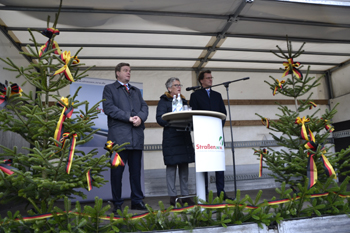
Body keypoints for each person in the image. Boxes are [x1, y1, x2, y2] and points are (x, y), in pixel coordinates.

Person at [102, 62, 149, 213]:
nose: (129, 73)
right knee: (117, 173)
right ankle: (117, 203)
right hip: (118, 140)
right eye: (125, 70)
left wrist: (140, 118)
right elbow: (109, 108)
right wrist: (129, 118)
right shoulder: (109, 89)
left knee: (136, 173)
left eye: (130, 70)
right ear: (117, 73)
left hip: (136, 139)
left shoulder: (135, 91)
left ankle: (137, 201)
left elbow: (144, 107)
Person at [189, 70, 232, 200]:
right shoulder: (195, 95)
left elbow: (223, 114)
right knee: (205, 164)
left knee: (219, 164)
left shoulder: (217, 95)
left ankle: (221, 192)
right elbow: (194, 114)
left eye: (211, 78)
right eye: (207, 78)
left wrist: (218, 127)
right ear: (201, 81)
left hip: (216, 134)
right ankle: (205, 193)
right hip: (203, 134)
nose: (210, 80)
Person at [156, 77, 195, 206]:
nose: (179, 87)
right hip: (171, 138)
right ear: (169, 88)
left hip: (184, 137)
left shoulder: (184, 100)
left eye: (180, 85)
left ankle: (185, 196)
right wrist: (172, 122)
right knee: (171, 168)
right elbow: (159, 118)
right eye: (176, 85)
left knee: (184, 168)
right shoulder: (164, 101)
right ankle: (173, 196)